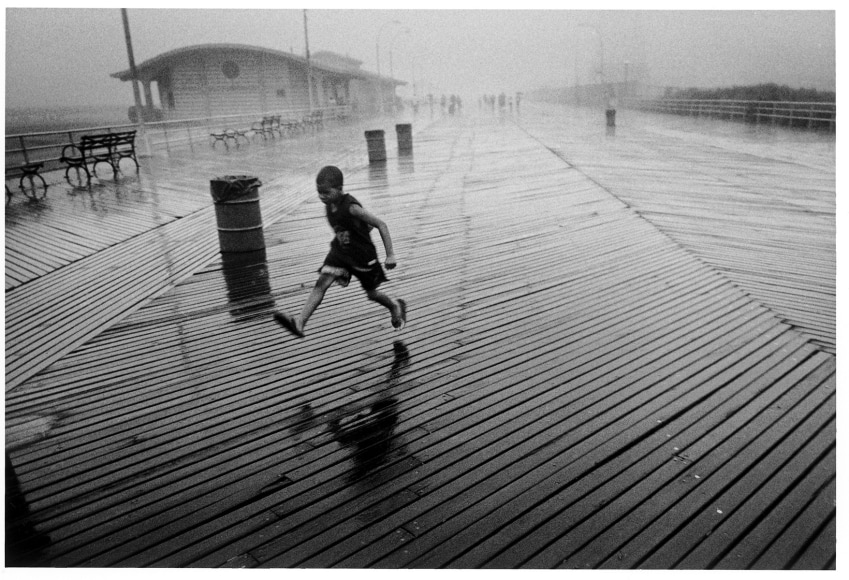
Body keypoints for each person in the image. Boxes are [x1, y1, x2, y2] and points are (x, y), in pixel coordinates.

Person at [273, 165, 406, 337]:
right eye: (319, 192)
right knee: (322, 282)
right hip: (341, 251)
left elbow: (380, 224)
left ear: (340, 189)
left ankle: (395, 306)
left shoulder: (351, 207)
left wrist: (390, 255)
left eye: (326, 192)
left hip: (362, 256)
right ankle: (299, 323)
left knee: (372, 293)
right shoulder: (329, 205)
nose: (322, 196)